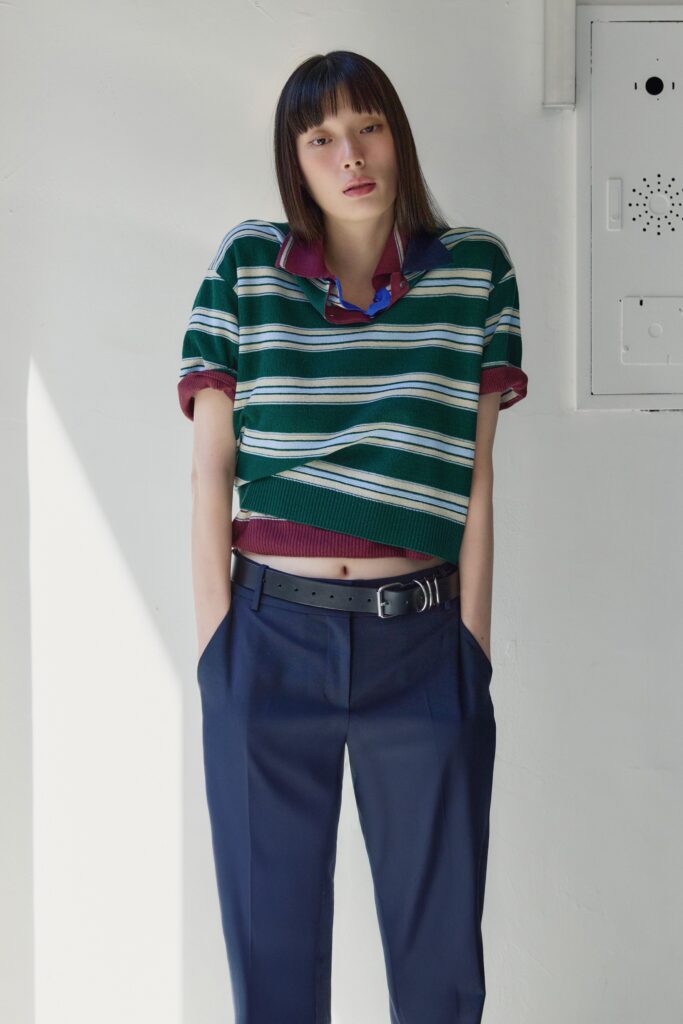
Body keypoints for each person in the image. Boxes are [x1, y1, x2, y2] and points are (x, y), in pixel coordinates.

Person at [178, 50, 527, 1024]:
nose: (349, 155)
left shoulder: (474, 272)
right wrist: (217, 649)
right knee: (272, 958)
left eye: (366, 126)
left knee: (439, 963)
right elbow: (209, 469)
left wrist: (470, 647)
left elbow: (476, 474)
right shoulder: (246, 267)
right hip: (266, 638)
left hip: (422, 639)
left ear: (396, 135)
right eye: (320, 137)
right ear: (293, 160)